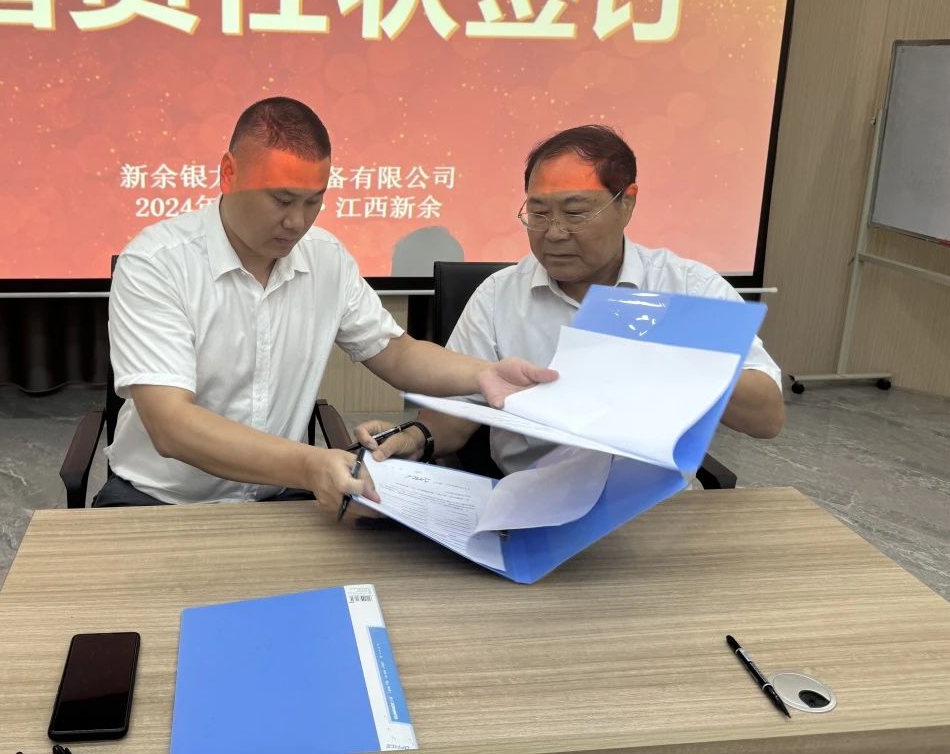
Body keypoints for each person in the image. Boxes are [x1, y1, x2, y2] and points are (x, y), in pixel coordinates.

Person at [95, 96, 556, 514]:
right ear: (229, 173)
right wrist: (308, 464)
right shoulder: (157, 263)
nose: (296, 222)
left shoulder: (325, 258)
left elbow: (396, 353)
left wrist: (482, 375)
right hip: (158, 501)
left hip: (278, 499)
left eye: (314, 201)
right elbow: (171, 425)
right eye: (281, 200)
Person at [357, 124, 785, 472]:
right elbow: (455, 415)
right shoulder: (498, 296)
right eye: (539, 213)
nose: (555, 233)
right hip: (528, 500)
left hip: (653, 507)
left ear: (627, 203)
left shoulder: (687, 287)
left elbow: (766, 416)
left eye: (576, 213)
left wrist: (674, 359)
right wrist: (416, 438)